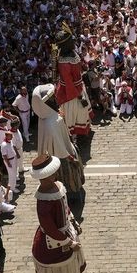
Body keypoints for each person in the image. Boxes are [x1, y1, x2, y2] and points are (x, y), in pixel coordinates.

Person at [29, 154, 85, 273]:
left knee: (70, 261)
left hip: (66, 228)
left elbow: (65, 208)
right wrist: (68, 242)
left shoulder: (58, 186)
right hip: (56, 239)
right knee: (58, 266)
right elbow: (50, 228)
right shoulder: (44, 202)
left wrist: (72, 219)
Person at [32, 83, 86, 216]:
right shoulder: (52, 122)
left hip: (54, 154)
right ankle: (73, 198)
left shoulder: (44, 118)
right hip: (63, 156)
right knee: (70, 177)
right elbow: (59, 145)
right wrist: (71, 157)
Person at [54, 28, 93, 138]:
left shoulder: (72, 53)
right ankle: (73, 136)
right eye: (71, 40)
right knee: (74, 113)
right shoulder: (64, 62)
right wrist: (80, 96)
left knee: (82, 112)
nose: (74, 42)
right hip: (71, 93)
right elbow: (69, 82)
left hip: (79, 87)